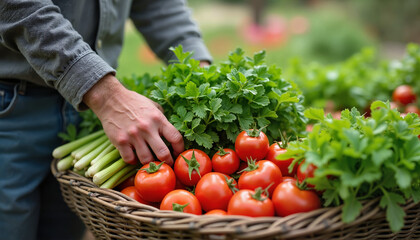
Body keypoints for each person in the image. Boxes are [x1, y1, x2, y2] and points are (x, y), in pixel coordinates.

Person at [0, 0, 212, 239]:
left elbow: (156, 4)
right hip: (11, 107)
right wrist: (107, 97)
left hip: (87, 112)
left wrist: (199, 74)